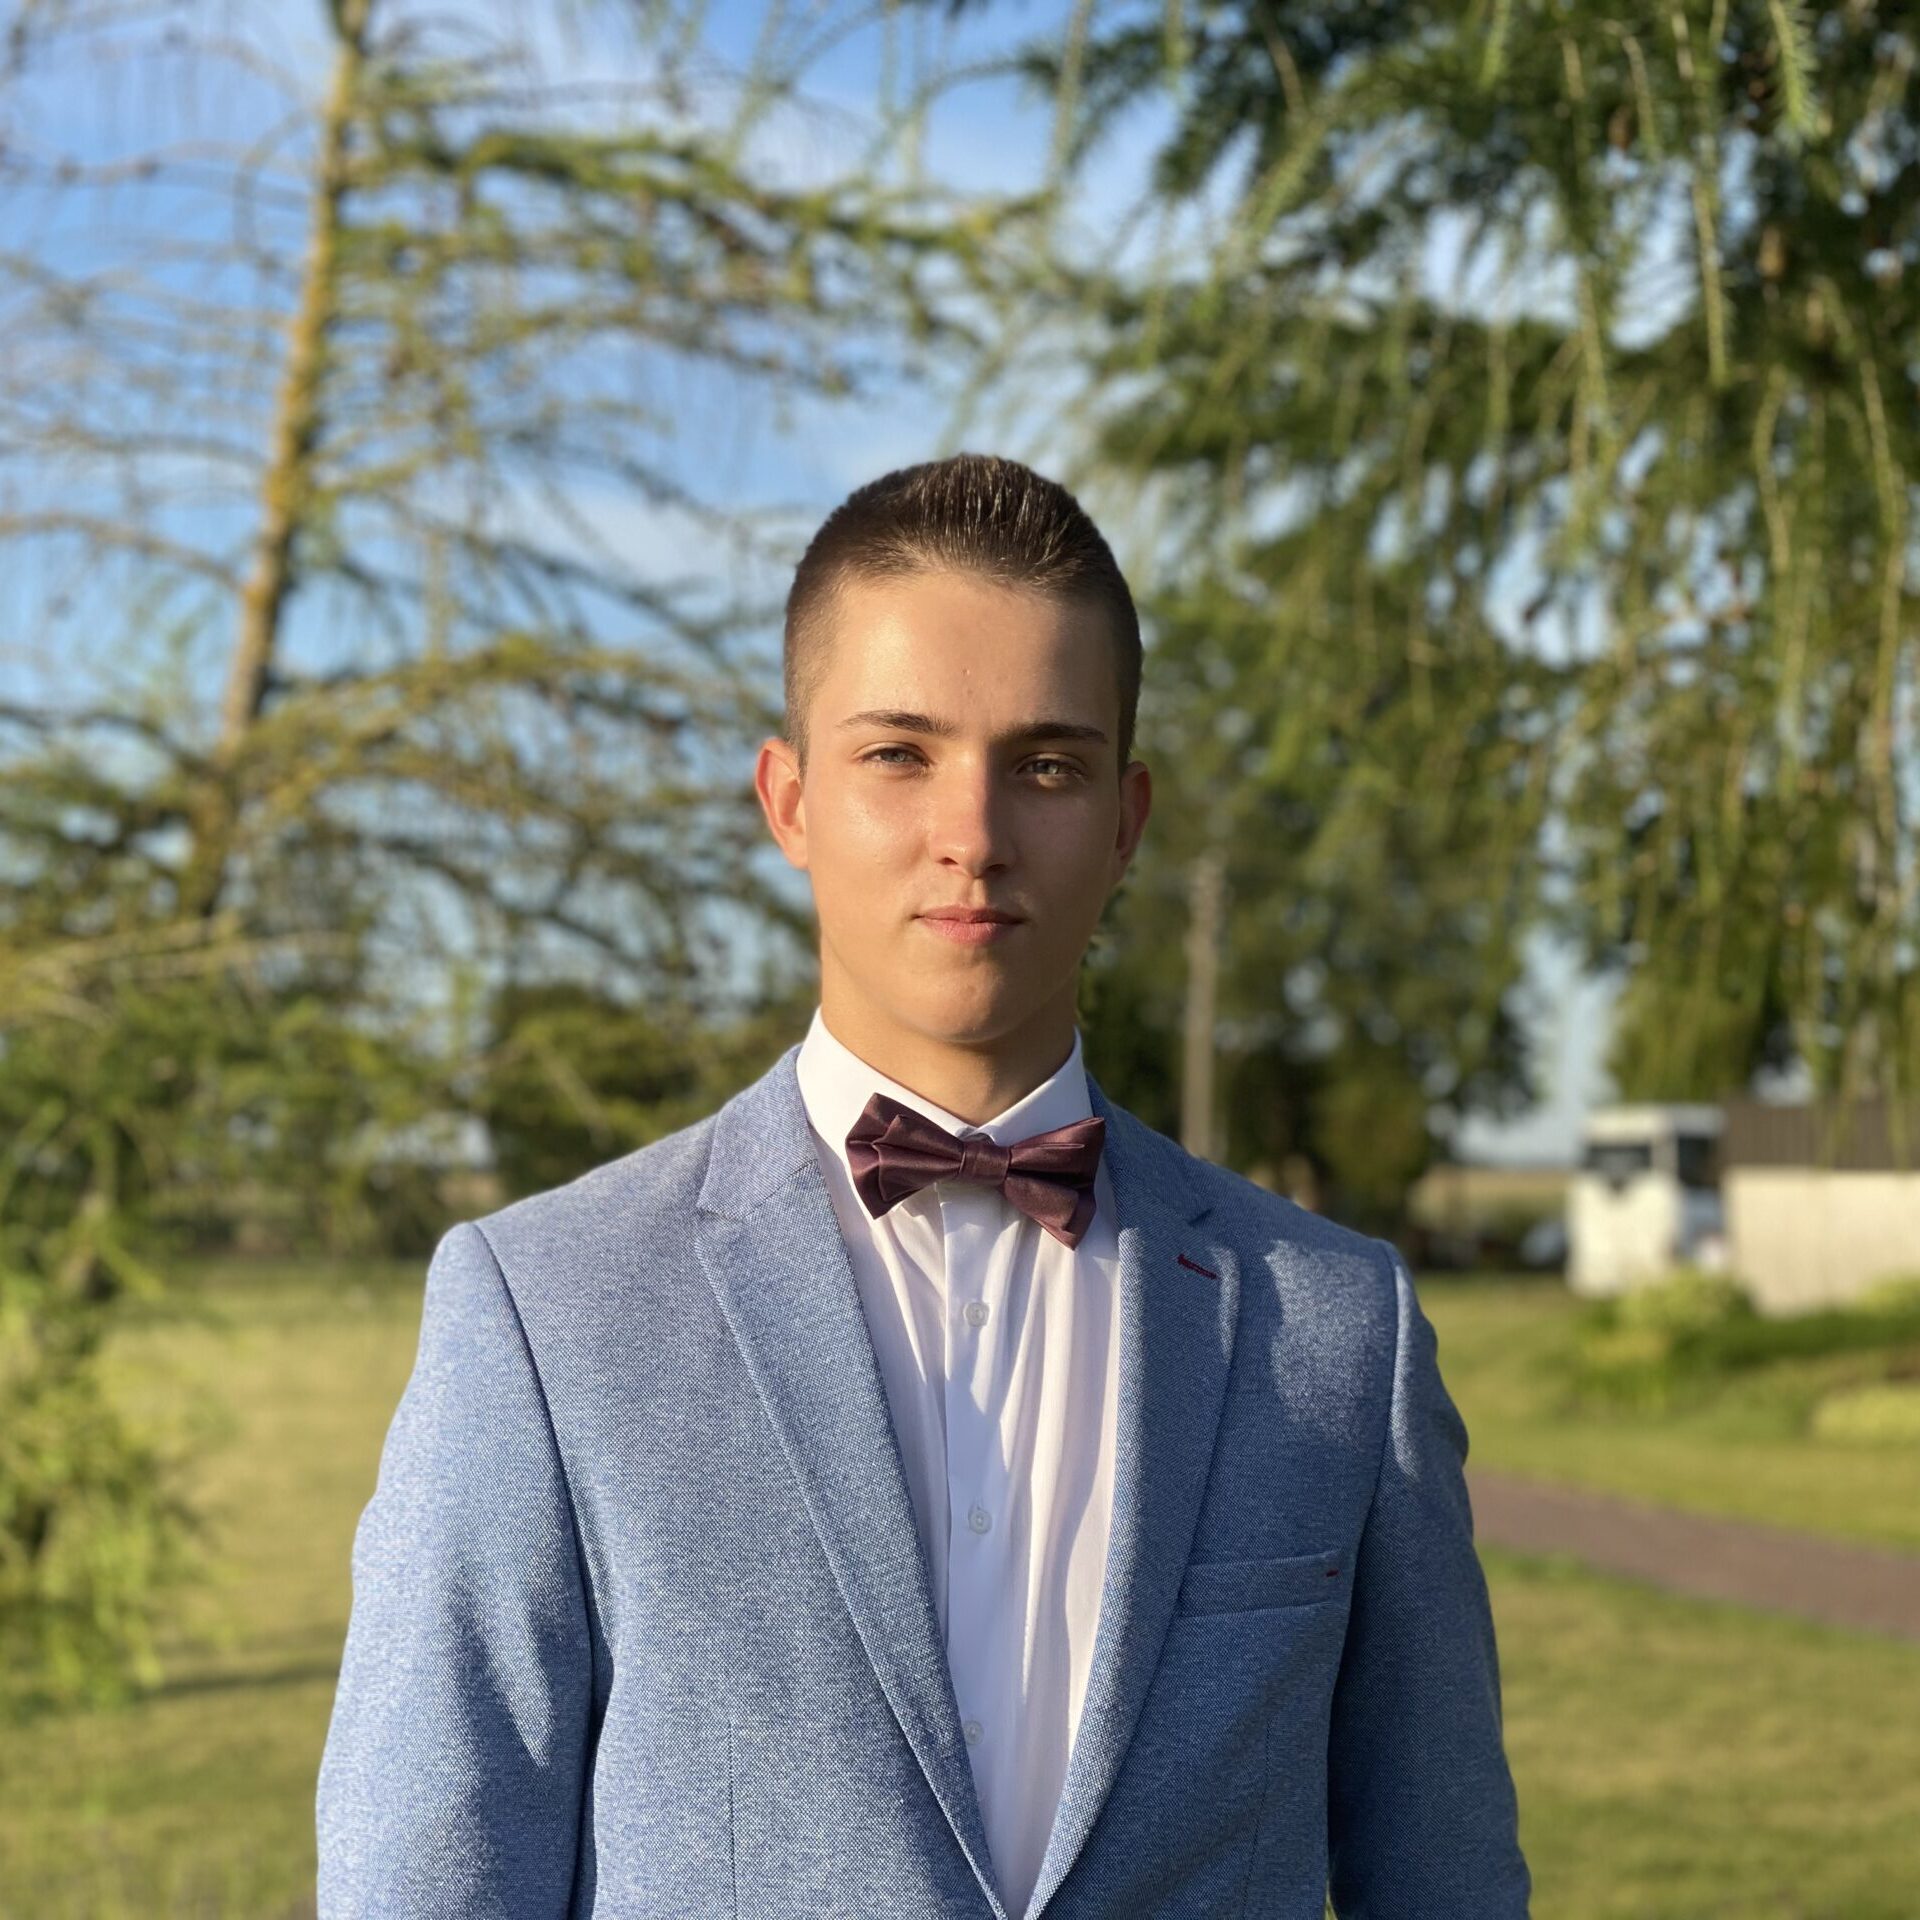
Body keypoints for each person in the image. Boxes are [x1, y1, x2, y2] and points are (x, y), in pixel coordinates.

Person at [315, 452, 1532, 1918]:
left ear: (1129, 820)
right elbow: (426, 1883)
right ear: (791, 800)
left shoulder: (1339, 1328)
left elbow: (1448, 1878)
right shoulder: (545, 1314)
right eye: (899, 754)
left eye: (1047, 764)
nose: (975, 833)